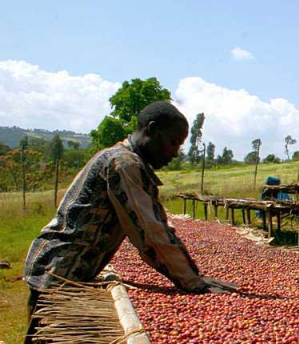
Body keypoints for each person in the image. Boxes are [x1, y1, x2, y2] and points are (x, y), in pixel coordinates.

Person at [23, 101, 234, 317]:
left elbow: (157, 222)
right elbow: (150, 232)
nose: (175, 153)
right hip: (59, 271)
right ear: (152, 129)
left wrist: (194, 275)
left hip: (61, 266)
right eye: (172, 142)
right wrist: (193, 283)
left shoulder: (119, 156)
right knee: (45, 343)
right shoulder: (124, 163)